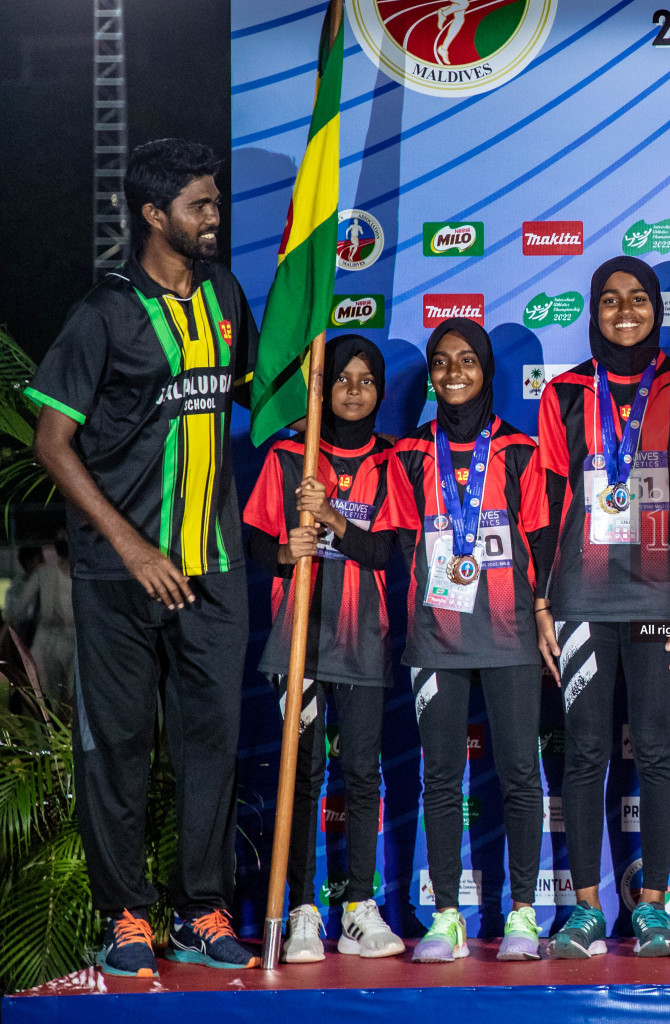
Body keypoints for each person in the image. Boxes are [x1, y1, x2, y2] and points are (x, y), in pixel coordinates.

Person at [27, 138, 259, 977]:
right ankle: (126, 915)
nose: (215, 219)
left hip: (215, 569)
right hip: (119, 575)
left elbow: (245, 395)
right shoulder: (103, 313)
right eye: (200, 206)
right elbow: (53, 442)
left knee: (211, 745)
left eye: (217, 204)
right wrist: (130, 546)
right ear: (154, 215)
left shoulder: (226, 293)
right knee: (119, 747)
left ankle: (201, 910)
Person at [537, 256, 670, 958]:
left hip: (662, 597)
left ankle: (654, 908)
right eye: (610, 299)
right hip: (580, 595)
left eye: (637, 298)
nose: (624, 310)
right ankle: (582, 911)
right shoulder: (567, 392)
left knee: (658, 753)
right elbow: (546, 500)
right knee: (585, 753)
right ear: (594, 311)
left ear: (657, 309)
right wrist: (544, 601)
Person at [374, 319, 550, 963]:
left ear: (487, 372)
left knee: (519, 775)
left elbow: (543, 539)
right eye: (442, 362)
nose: (453, 372)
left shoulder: (521, 451)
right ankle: (446, 916)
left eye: (467, 360)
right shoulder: (409, 454)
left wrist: (540, 609)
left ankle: (524, 915)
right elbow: (391, 541)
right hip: (436, 639)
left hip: (507, 637)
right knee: (441, 779)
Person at [243, 335, 404, 962]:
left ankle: (359, 906)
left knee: (362, 773)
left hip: (363, 640)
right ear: (321, 387)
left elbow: (384, 550)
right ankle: (303, 908)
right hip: (299, 644)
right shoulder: (290, 456)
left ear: (381, 391)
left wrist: (332, 517)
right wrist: (288, 552)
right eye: (342, 378)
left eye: (367, 379)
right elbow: (258, 544)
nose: (355, 389)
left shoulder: (392, 461)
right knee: (301, 774)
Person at [9, 539, 75, 706]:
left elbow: (18, 610)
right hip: (48, 642)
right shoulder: (45, 573)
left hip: (71, 642)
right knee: (49, 698)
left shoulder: (75, 573)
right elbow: (18, 609)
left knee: (67, 696)